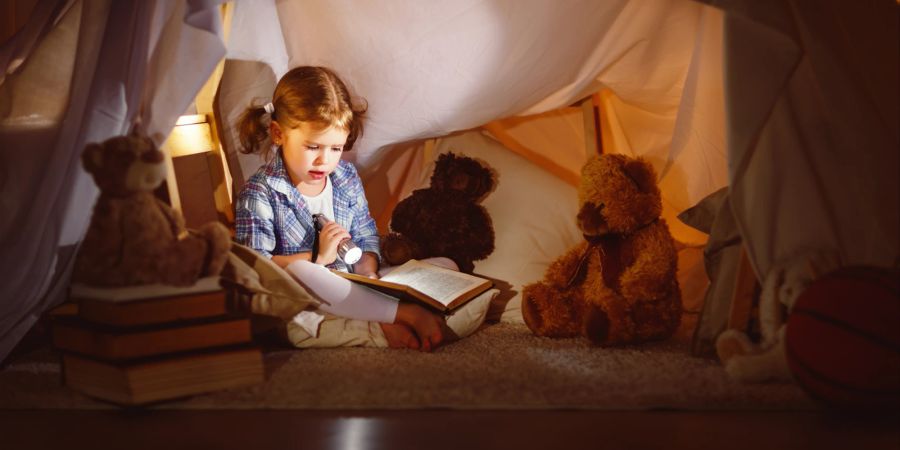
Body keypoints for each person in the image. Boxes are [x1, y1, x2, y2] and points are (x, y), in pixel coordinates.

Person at [234, 66, 449, 352]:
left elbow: (366, 234)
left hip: (356, 283)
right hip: (308, 293)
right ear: (278, 134)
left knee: (446, 266)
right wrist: (317, 257)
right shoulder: (260, 193)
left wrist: (370, 274)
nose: (325, 160)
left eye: (336, 149)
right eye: (313, 147)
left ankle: (378, 312)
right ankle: (400, 315)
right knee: (305, 273)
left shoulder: (345, 177)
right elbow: (255, 268)